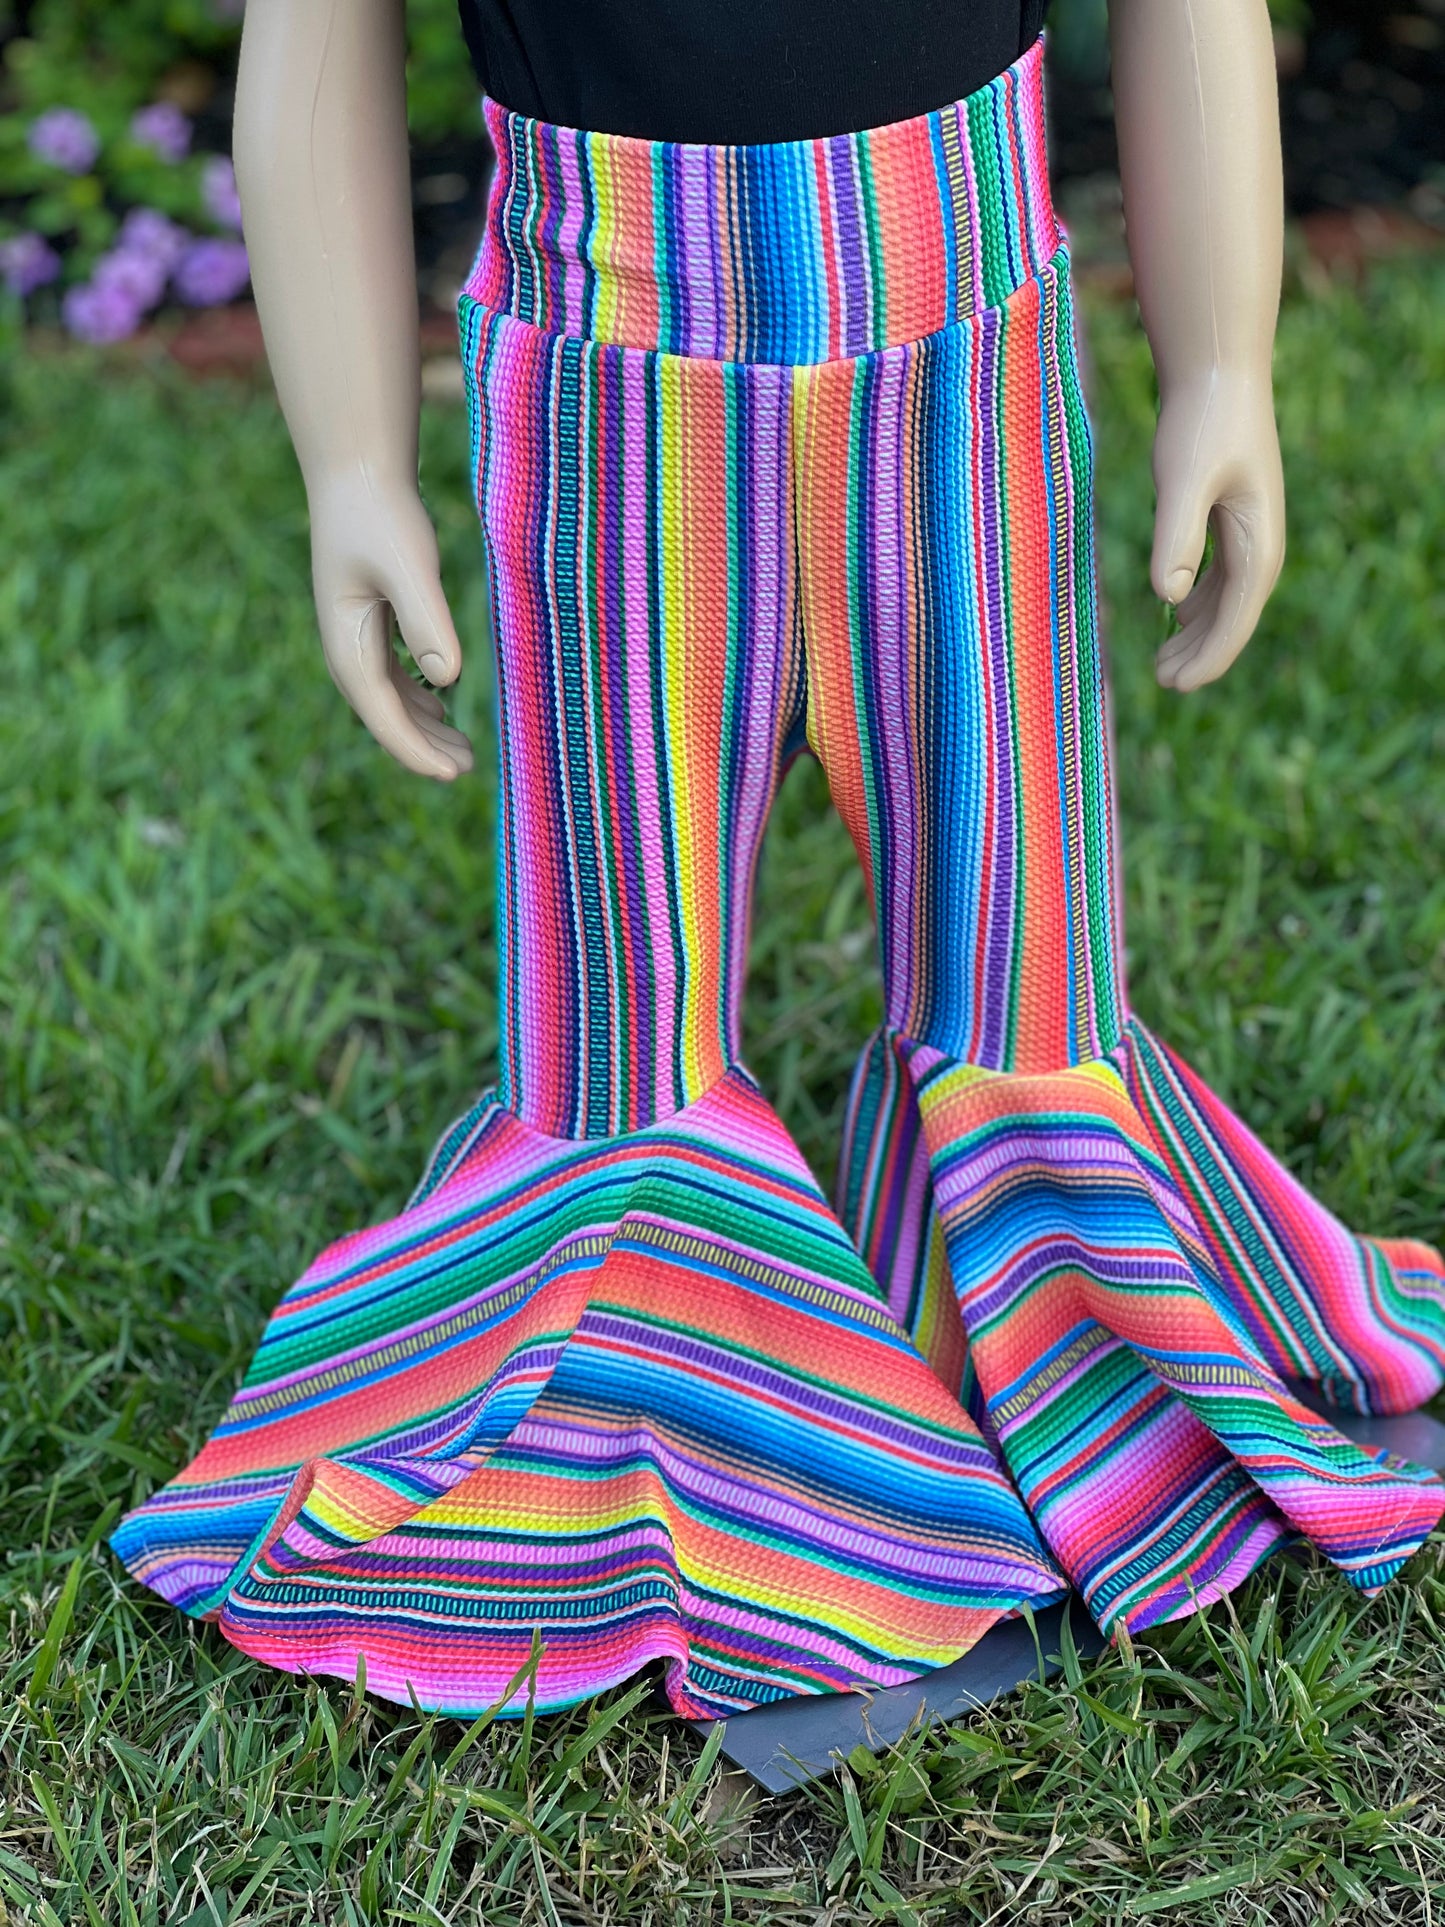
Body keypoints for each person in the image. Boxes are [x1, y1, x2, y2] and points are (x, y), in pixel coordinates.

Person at [111, 0, 1445, 1723]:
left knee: (1020, 963)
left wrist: (1222, 371)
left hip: (962, 353)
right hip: (605, 381)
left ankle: (1072, 1332)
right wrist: (350, 468)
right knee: (614, 1028)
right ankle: (644, 1433)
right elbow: (317, 29)